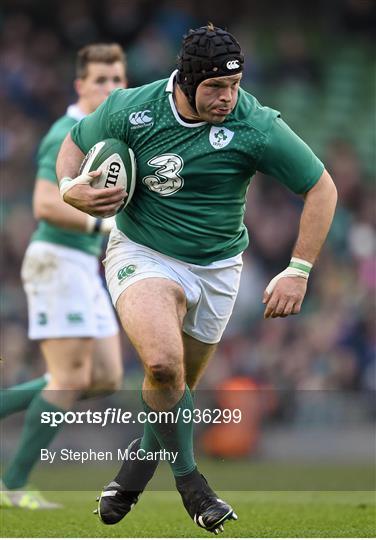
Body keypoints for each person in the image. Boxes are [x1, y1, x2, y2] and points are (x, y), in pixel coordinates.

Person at [56, 24, 337, 534]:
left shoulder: (255, 124)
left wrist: (299, 270)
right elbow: (73, 147)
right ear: (185, 81)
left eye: (234, 85)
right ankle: (193, 485)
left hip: (218, 269)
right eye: (215, 88)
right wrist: (69, 189)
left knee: (174, 390)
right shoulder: (132, 109)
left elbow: (321, 187)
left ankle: (135, 471)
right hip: (142, 252)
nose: (228, 97)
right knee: (163, 366)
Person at [0, 43, 127, 510]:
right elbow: (44, 203)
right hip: (57, 259)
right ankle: (12, 485)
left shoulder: (107, 134)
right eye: (100, 80)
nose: (111, 88)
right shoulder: (67, 133)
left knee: (107, 376)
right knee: (70, 378)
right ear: (80, 85)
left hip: (81, 265)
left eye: (117, 79)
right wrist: (102, 224)